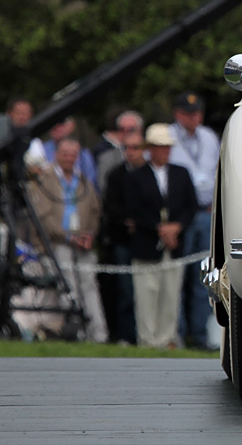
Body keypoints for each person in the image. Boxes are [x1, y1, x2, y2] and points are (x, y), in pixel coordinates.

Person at [24, 138, 109, 342]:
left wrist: (89, 235)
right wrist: (69, 237)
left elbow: (95, 213)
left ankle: (98, 335)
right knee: (68, 284)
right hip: (56, 243)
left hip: (82, 243)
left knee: (90, 285)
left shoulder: (84, 181)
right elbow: (42, 219)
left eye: (73, 155)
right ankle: (75, 331)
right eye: (65, 154)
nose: (69, 158)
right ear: (56, 155)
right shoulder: (44, 180)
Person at [126, 124, 197, 349]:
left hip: (175, 244)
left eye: (167, 147)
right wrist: (160, 229)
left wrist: (176, 228)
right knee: (147, 294)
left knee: (171, 294)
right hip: (147, 243)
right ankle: (148, 340)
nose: (165, 151)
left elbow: (191, 205)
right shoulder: (136, 176)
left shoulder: (181, 173)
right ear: (150, 149)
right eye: (160, 147)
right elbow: (134, 210)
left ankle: (167, 338)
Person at [169, 93, 220, 350]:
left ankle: (200, 335)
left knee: (204, 276)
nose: (195, 117)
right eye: (189, 113)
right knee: (177, 276)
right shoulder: (168, 136)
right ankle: (176, 334)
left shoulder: (209, 137)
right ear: (178, 113)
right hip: (180, 215)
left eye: (198, 112)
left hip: (206, 211)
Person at [101, 131, 148, 345]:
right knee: (126, 292)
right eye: (126, 148)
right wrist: (126, 223)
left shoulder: (152, 173)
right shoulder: (115, 175)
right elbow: (111, 207)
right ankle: (126, 335)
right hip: (123, 240)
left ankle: (147, 335)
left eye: (135, 147)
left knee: (147, 292)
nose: (130, 152)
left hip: (147, 240)